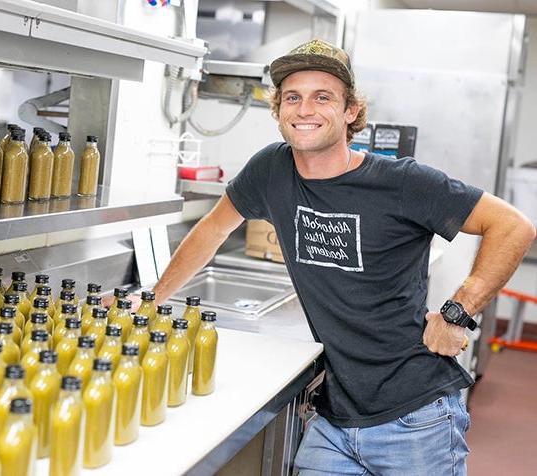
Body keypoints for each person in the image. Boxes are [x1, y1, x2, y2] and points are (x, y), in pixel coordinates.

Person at [153, 39, 536, 474]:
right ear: (277, 110)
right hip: (334, 417)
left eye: (323, 97)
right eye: (292, 98)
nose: (304, 110)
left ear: (351, 110)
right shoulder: (270, 170)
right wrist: (153, 298)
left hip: (415, 416)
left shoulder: (401, 182)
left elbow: (513, 226)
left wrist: (456, 312)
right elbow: (213, 228)